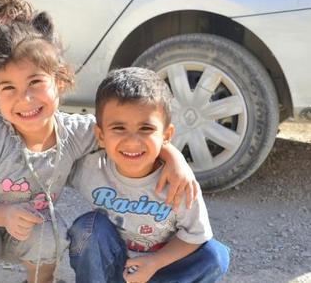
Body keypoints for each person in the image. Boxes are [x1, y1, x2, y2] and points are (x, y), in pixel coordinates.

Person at [0, 0, 198, 283]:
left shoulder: (73, 133)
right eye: (9, 88)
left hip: (33, 230)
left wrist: (173, 157)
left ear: (59, 81)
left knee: (51, 231)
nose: (25, 98)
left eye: (35, 82)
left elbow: (123, 134)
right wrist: (3, 216)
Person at [68, 67, 230, 283]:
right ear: (100, 135)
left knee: (215, 255)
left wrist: (154, 263)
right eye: (118, 128)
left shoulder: (178, 182)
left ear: (167, 135)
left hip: (159, 270)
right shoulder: (90, 167)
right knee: (87, 228)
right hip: (113, 270)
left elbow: (196, 235)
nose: (132, 141)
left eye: (145, 128)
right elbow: (48, 152)